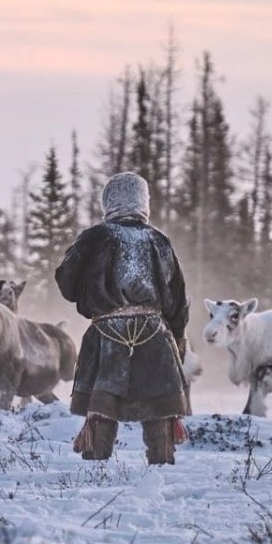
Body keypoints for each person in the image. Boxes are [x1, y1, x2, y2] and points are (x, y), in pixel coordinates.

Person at [54, 172, 191, 464]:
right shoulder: (159, 240)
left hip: (108, 334)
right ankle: (161, 467)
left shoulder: (95, 237)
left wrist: (93, 291)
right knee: (160, 407)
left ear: (108, 200)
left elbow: (66, 282)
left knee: (102, 404)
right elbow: (177, 297)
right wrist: (178, 338)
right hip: (155, 334)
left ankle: (96, 467)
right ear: (144, 201)